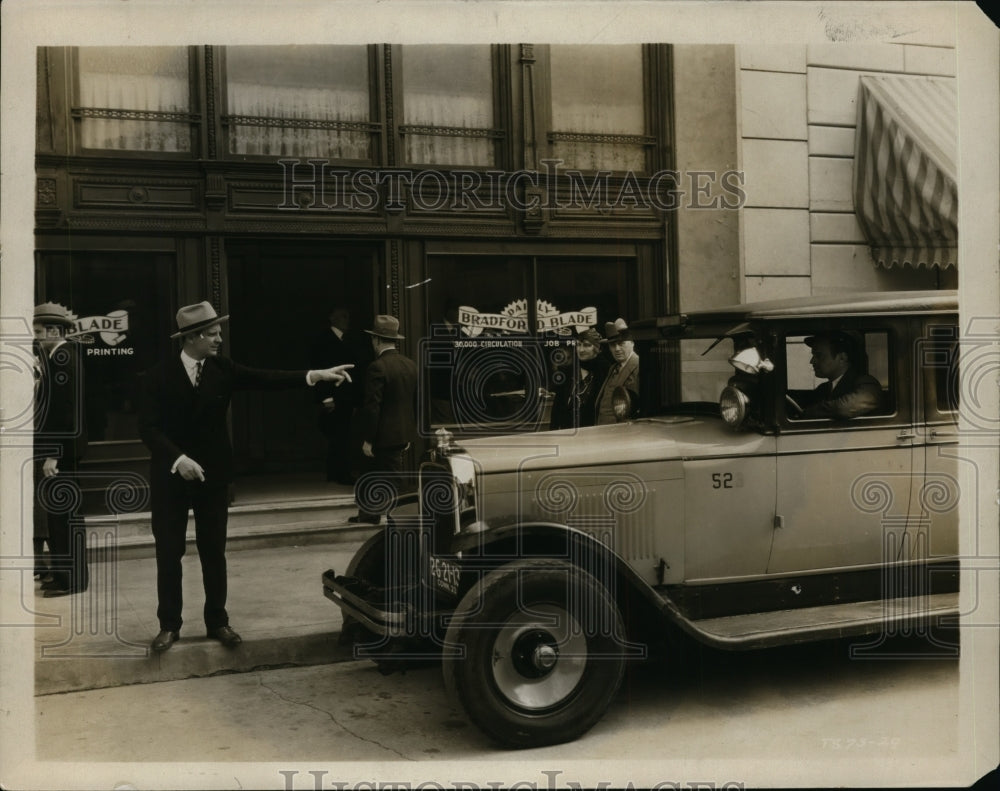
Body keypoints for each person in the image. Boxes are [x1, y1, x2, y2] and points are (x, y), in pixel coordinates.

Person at [137, 301, 353, 652]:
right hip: (170, 477)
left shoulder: (222, 368)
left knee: (213, 552)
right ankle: (169, 626)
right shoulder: (157, 376)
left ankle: (218, 622)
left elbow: (266, 378)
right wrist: (179, 459)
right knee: (169, 553)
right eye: (213, 333)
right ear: (192, 337)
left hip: (213, 477)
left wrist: (315, 375)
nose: (219, 338)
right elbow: (148, 429)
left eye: (219, 331)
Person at [33, 302, 89, 597]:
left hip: (63, 452)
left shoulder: (63, 358)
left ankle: (71, 580)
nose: (36, 336)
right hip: (65, 450)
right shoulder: (61, 356)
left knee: (63, 515)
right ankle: (64, 576)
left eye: (40, 331)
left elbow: (65, 413)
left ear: (55, 330)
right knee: (62, 515)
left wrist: (54, 453)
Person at [349, 315, 418, 525]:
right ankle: (369, 515)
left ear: (376, 340)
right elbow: (415, 402)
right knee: (377, 473)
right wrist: (408, 433)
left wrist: (368, 439)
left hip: (382, 434)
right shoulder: (410, 365)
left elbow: (373, 407)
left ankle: (396, 518)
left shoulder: (377, 367)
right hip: (402, 432)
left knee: (387, 477)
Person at [310, 307, 368, 485]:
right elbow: (319, 368)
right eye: (343, 316)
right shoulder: (324, 340)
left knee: (343, 435)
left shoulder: (347, 340)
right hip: (334, 398)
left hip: (346, 397)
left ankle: (337, 472)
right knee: (338, 436)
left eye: (348, 316)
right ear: (332, 318)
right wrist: (326, 398)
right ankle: (339, 473)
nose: (347, 320)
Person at [794, 331, 882, 419]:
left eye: (819, 355)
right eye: (813, 355)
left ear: (842, 358)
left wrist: (808, 412)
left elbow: (843, 409)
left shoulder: (868, 385)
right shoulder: (823, 389)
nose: (812, 361)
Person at [548, 327, 611, 430]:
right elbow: (557, 407)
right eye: (578, 344)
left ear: (598, 349)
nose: (581, 350)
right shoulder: (569, 371)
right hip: (567, 432)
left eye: (587, 345)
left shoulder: (606, 371)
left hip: (594, 433)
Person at [595, 318, 640, 425]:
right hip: (603, 431)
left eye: (621, 343)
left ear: (632, 343)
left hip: (623, 433)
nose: (617, 349)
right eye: (612, 345)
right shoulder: (613, 368)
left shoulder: (639, 366)